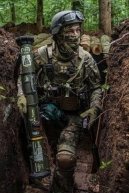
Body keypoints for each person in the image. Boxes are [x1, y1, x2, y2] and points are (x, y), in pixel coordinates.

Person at [16, 10, 102, 193]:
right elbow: (24, 75)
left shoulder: (85, 59)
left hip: (74, 117)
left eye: (78, 30)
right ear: (58, 32)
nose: (75, 35)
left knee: (65, 158)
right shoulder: (43, 55)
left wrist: (94, 108)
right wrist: (21, 94)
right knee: (52, 155)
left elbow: (96, 87)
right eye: (70, 31)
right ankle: (60, 183)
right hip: (47, 114)